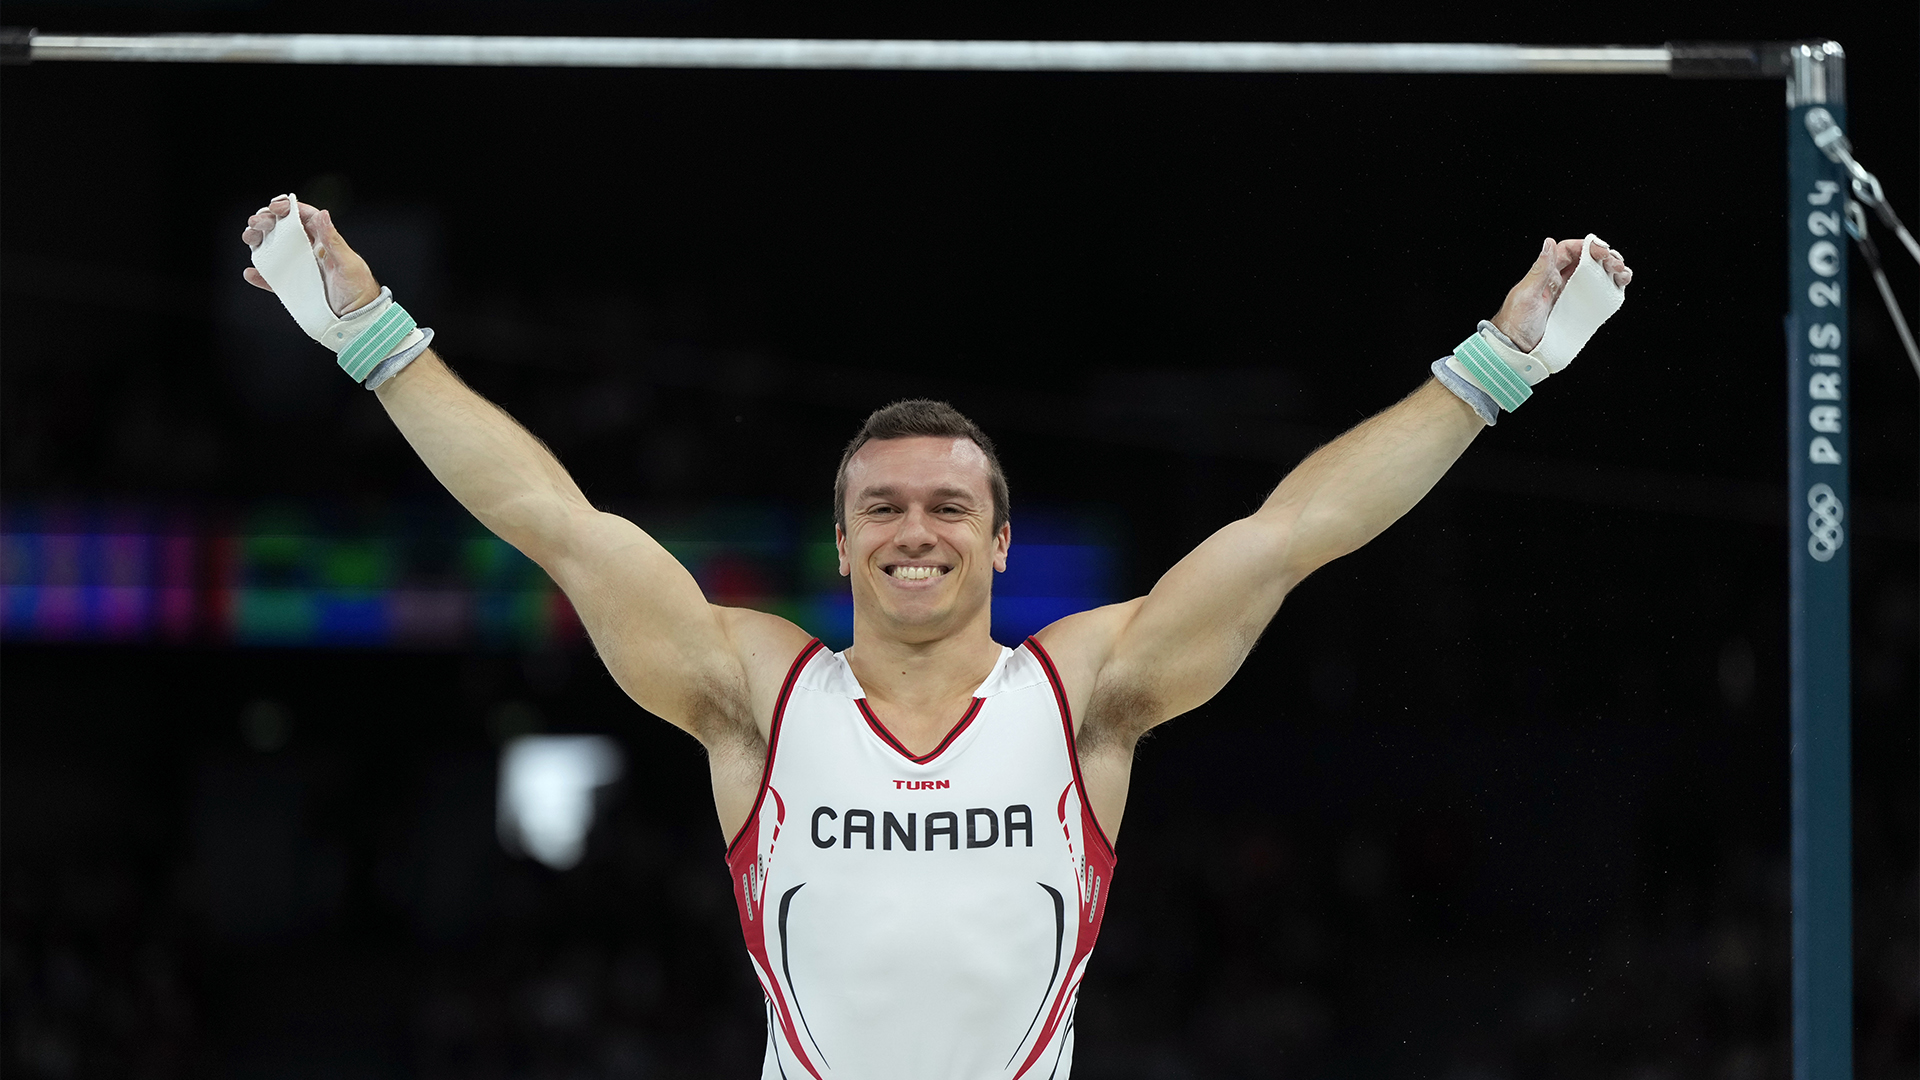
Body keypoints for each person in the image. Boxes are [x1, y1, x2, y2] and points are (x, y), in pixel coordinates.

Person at [240, 195, 1632, 1078]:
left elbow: (1290, 536)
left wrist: (1494, 369)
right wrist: (369, 333)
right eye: (885, 507)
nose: (919, 528)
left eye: (951, 506)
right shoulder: (755, 690)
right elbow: (552, 519)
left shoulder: (1086, 693)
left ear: (1001, 540)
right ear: (840, 543)